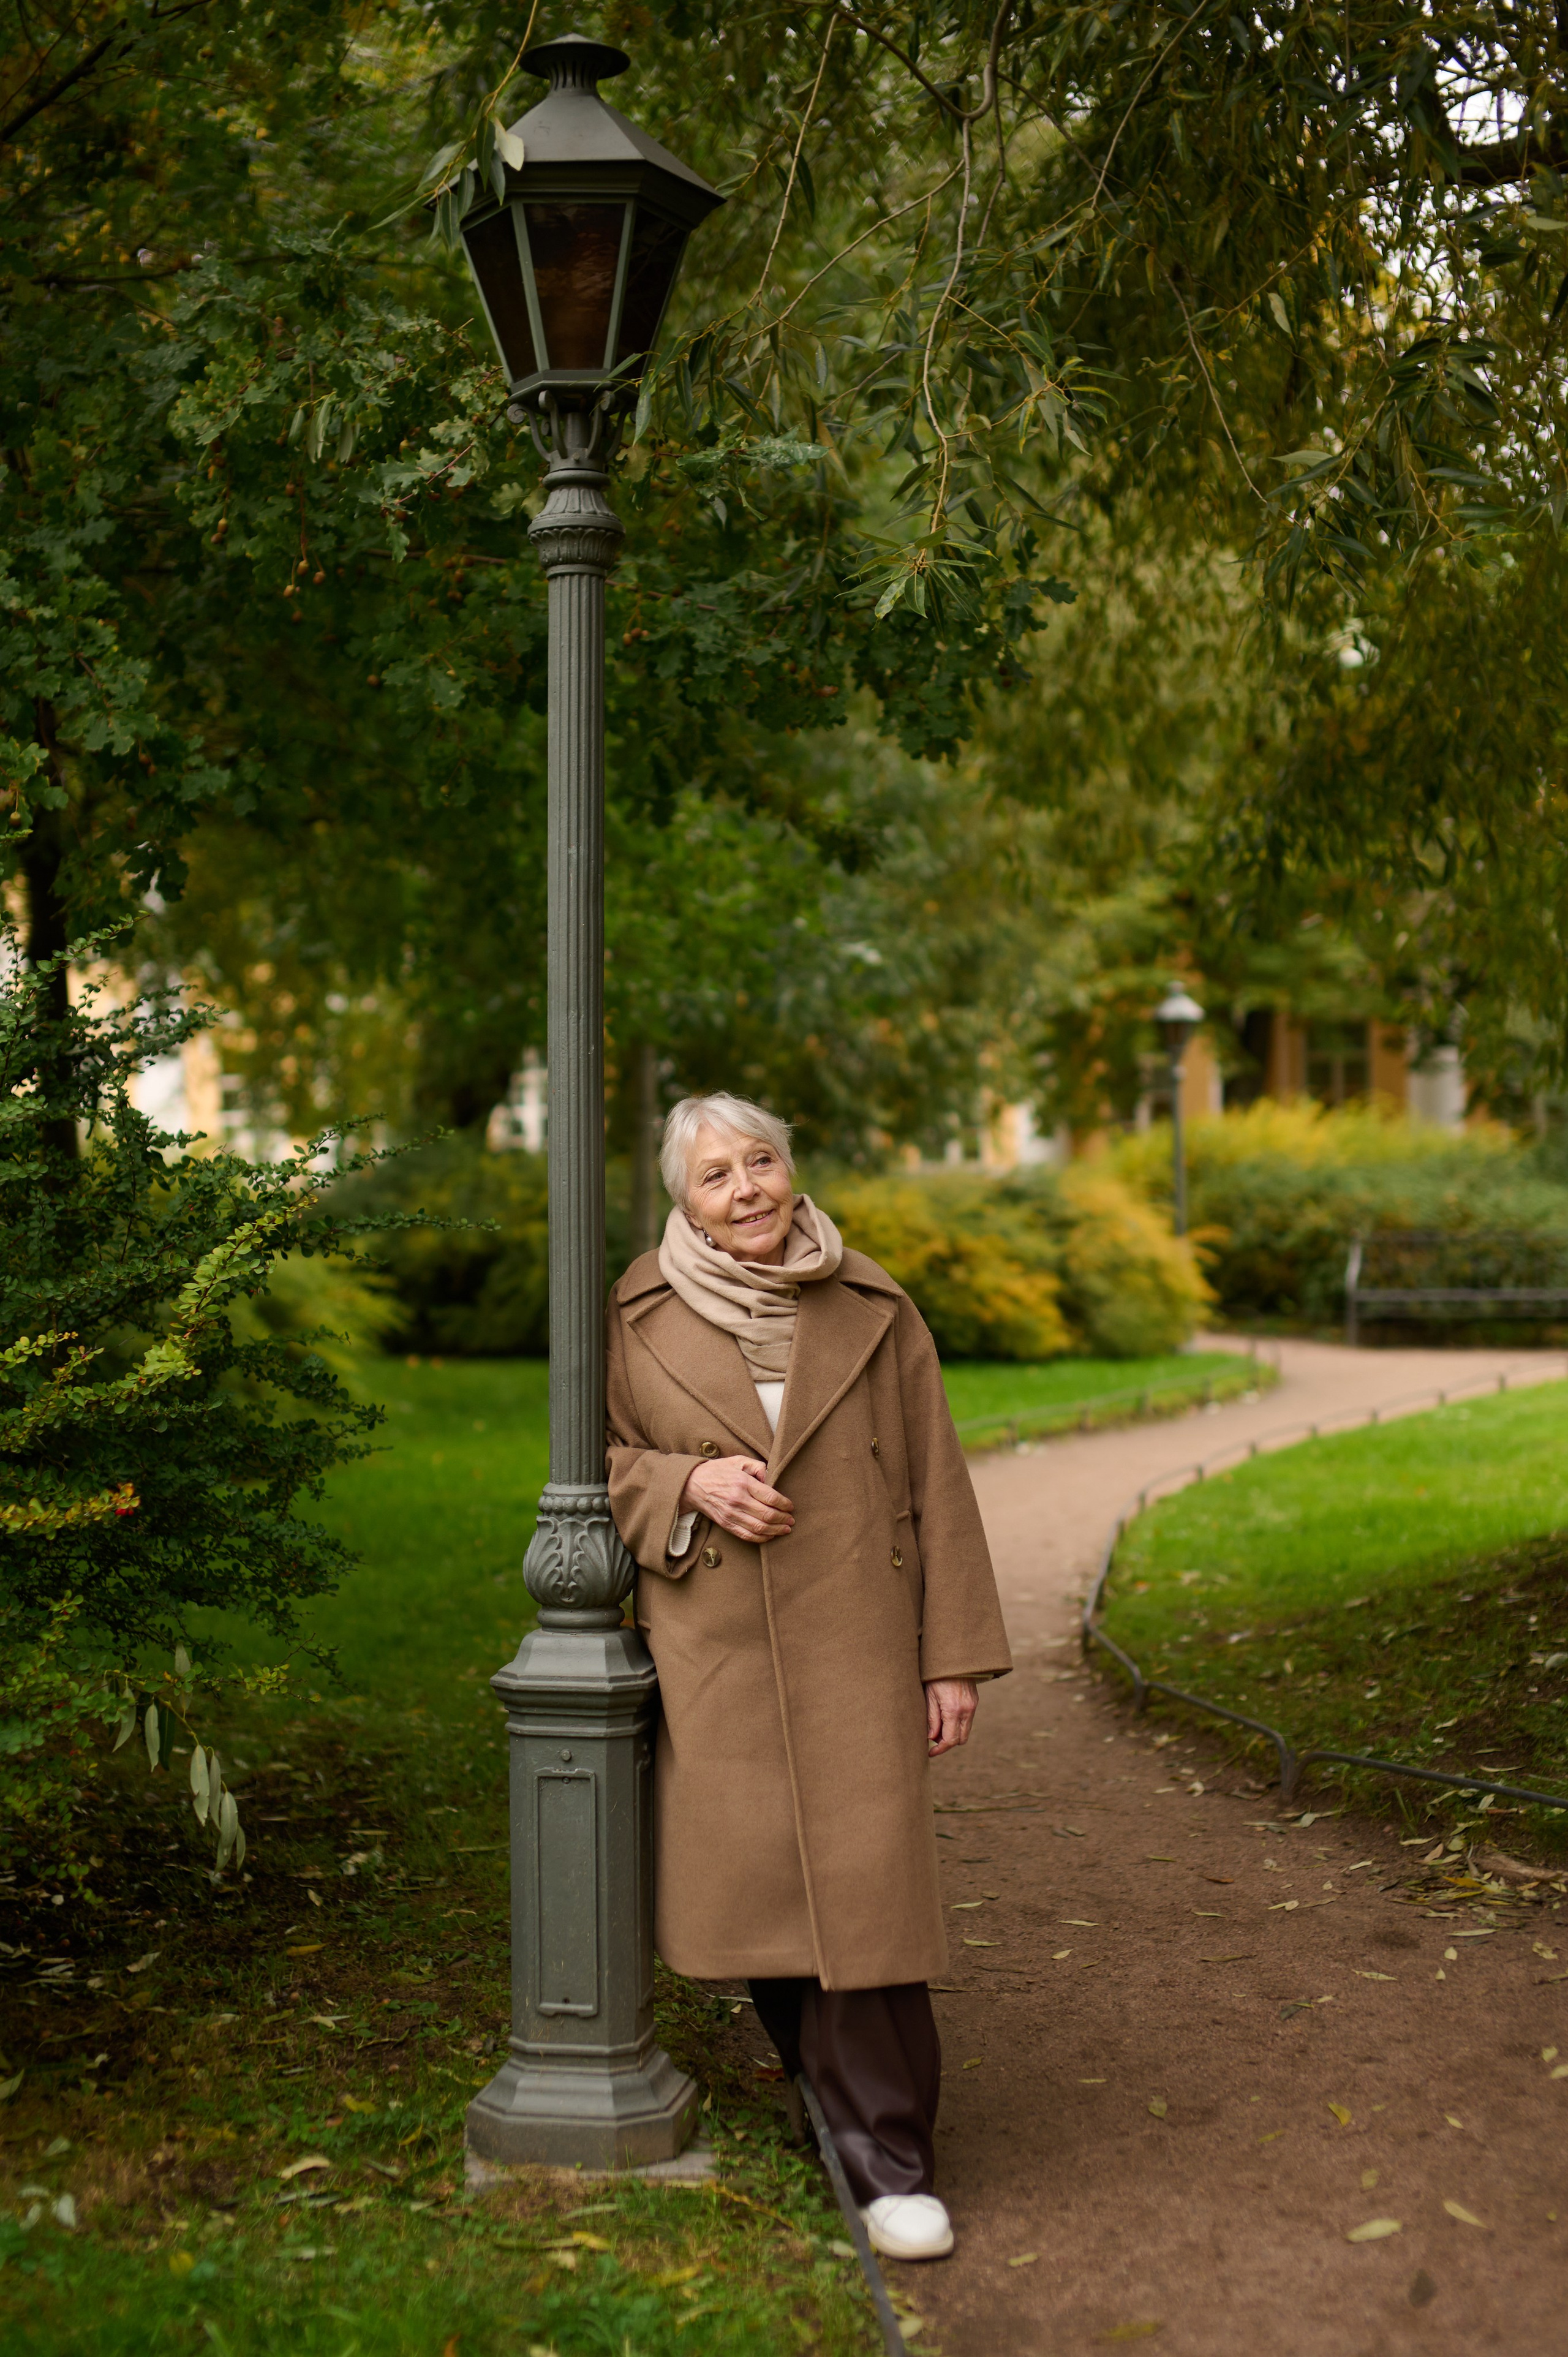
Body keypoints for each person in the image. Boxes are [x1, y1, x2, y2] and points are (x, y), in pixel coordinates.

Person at [606, 1092, 1011, 2261]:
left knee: (863, 1900)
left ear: (791, 1170)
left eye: (761, 1162)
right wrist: (686, 1484)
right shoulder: (633, 1311)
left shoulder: (875, 1304)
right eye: (716, 1175)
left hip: (859, 1640)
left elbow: (939, 1482)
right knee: (772, 1902)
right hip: (719, 1646)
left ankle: (890, 2162)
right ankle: (831, 2111)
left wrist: (953, 1659)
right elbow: (591, 1464)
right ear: (685, 1203)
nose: (747, 1190)